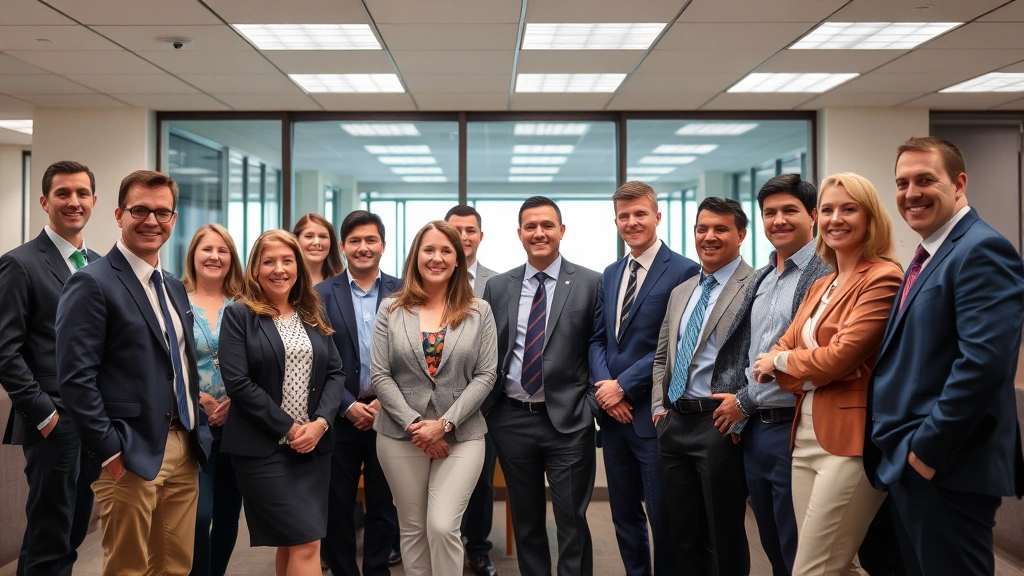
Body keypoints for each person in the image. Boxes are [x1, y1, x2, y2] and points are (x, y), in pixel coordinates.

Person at [869, 137, 1024, 576]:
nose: (911, 193)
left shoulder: (981, 250)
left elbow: (984, 366)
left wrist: (926, 452)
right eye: (902, 183)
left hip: (947, 464)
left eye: (925, 180)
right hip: (914, 462)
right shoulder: (929, 254)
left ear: (958, 183)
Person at [55, 169, 212, 576]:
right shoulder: (91, 283)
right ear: (119, 215)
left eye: (162, 212)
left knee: (176, 566)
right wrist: (110, 450)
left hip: (184, 447)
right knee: (128, 568)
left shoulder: (174, 285)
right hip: (129, 450)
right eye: (139, 210)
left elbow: (176, 365)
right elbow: (75, 379)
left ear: (174, 220)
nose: (151, 221)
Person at [752, 173, 902, 576]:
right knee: (837, 564)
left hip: (849, 442)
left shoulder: (884, 277)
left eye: (849, 208)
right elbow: (782, 347)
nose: (837, 218)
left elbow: (839, 358)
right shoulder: (822, 283)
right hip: (803, 439)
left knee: (812, 568)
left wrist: (786, 364)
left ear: (870, 217)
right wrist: (798, 363)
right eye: (830, 209)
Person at [709, 174, 829, 576]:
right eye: (770, 212)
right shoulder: (763, 277)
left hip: (795, 427)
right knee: (772, 542)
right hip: (755, 431)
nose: (778, 220)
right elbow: (746, 351)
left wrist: (742, 400)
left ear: (812, 215)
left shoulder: (825, 273)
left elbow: (804, 357)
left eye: (789, 210)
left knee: (800, 547)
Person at [482, 196, 601, 576]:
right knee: (526, 519)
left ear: (562, 231)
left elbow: (598, 347)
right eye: (530, 226)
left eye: (547, 225)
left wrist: (591, 406)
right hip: (512, 419)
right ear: (519, 234)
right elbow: (490, 353)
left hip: (568, 421)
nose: (539, 233)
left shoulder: (591, 283)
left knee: (571, 520)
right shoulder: (499, 287)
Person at [370, 220, 497, 576]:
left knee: (442, 526)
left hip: (462, 434)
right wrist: (416, 426)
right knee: (412, 530)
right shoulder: (391, 309)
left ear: (458, 259)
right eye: (429, 249)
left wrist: (444, 424)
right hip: (400, 434)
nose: (437, 257)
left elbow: (486, 375)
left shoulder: (478, 310)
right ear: (416, 256)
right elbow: (379, 374)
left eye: (446, 250)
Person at [218, 229, 344, 576]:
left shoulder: (311, 312)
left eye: (287, 260)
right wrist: (289, 428)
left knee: (298, 542)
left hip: (312, 449)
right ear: (255, 269)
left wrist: (319, 424)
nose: (279, 268)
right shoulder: (239, 315)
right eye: (269, 261)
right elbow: (238, 383)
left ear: (299, 267)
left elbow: (335, 373)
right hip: (264, 449)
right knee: (305, 541)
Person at [588, 182, 698, 576]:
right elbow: (600, 339)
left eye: (640, 214)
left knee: (663, 516)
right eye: (624, 216)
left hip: (653, 417)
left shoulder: (685, 270)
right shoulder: (612, 272)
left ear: (657, 216)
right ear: (615, 221)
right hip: (614, 418)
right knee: (623, 514)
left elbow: (679, 342)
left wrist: (624, 386)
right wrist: (606, 391)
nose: (632, 222)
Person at [0, 160, 101, 576]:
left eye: (81, 193)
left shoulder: (96, 263)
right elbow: (5, 352)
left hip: (94, 418)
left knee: (73, 531)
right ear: (45, 201)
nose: (73, 201)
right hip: (53, 421)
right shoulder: (19, 264)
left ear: (94, 201)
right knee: (50, 532)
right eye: (63, 193)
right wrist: (46, 417)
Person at [651, 197, 754, 576]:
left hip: (720, 425)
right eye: (702, 229)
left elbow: (758, 355)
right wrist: (658, 411)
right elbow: (662, 358)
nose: (709, 237)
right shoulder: (683, 291)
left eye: (721, 229)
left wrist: (743, 413)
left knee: (722, 533)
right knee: (681, 534)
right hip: (674, 422)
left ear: (741, 235)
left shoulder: (754, 285)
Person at [317, 210, 401, 576]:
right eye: (355, 241)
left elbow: (413, 354)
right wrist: (348, 405)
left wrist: (387, 400)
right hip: (339, 415)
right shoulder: (320, 294)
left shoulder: (404, 292)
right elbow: (316, 361)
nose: (363, 248)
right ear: (342, 247)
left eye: (371, 240)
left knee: (386, 505)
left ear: (383, 244)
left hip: (391, 413)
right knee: (337, 506)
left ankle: (378, 570)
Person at [184, 224, 245, 576]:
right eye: (207, 249)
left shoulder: (245, 305)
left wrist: (237, 400)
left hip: (238, 426)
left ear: (231, 259)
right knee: (199, 513)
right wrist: (197, 397)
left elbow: (261, 362)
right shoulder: (175, 300)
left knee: (226, 514)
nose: (214, 256)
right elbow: (165, 360)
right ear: (193, 254)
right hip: (193, 425)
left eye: (222, 250)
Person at [445, 204, 499, 576]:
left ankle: (478, 549)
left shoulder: (499, 283)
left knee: (480, 484)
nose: (463, 236)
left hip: (485, 405)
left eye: (470, 230)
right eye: (456, 230)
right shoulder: (422, 281)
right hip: (431, 406)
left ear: (481, 236)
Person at [293, 213, 344, 285]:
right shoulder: (286, 281)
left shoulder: (344, 283)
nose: (316, 242)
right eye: (309, 236)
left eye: (323, 236)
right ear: (296, 240)